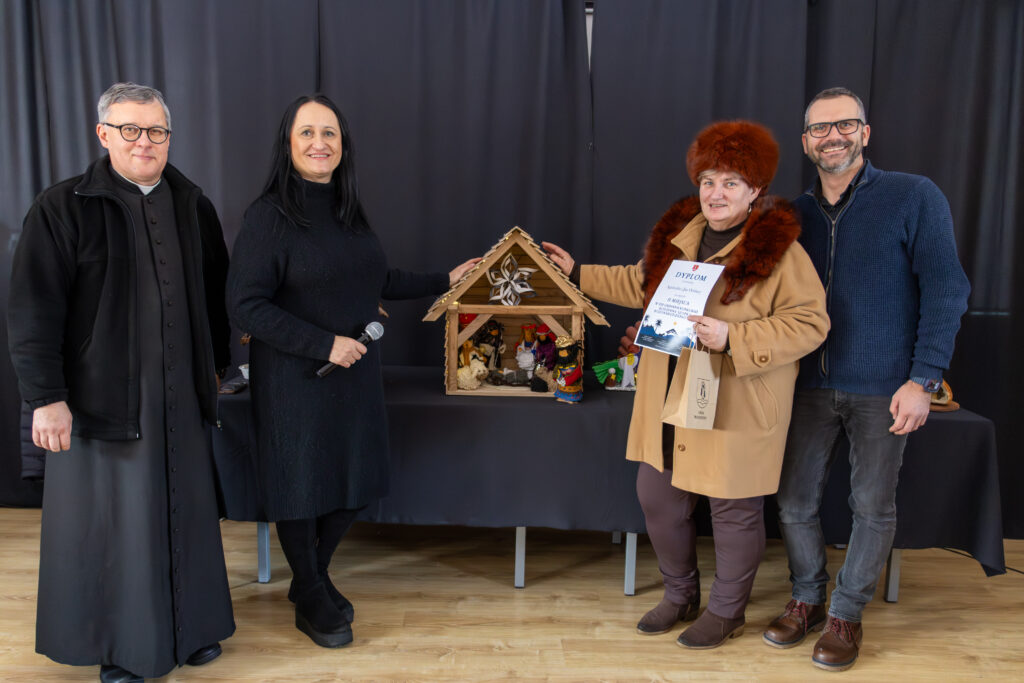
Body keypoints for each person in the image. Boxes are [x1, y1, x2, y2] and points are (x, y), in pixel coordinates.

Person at [543, 120, 829, 649]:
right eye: (708, 181)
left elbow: (811, 323)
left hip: (737, 400)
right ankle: (680, 595)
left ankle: (726, 612)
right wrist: (577, 271)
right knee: (657, 497)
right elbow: (639, 282)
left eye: (730, 183)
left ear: (755, 191)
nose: (716, 193)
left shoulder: (782, 254)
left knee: (733, 510)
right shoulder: (681, 238)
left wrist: (733, 336)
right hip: (671, 394)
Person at [226, 94, 478, 649]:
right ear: (288, 144)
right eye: (307, 132)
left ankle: (310, 578)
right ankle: (311, 592)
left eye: (330, 133)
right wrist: (323, 344)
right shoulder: (269, 216)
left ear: (343, 145)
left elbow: (375, 279)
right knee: (300, 487)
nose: (320, 143)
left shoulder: (346, 211)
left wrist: (446, 279)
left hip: (354, 374)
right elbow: (244, 304)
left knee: (354, 483)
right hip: (294, 378)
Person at [7, 82, 234, 682]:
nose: (144, 142)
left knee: (188, 515)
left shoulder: (193, 204)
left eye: (156, 130)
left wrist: (217, 369)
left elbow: (216, 298)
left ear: (169, 137)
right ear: (103, 134)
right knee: (118, 529)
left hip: (181, 397)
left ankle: (192, 631)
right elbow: (32, 310)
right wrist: (45, 398)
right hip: (100, 402)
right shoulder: (61, 207)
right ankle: (124, 648)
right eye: (130, 130)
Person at [764, 87, 970, 672]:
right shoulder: (790, 217)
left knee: (872, 506)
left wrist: (923, 379)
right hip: (805, 383)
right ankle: (807, 598)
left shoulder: (913, 196)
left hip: (885, 386)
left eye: (845, 125)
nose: (833, 136)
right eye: (820, 129)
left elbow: (946, 288)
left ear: (865, 132)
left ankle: (846, 614)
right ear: (806, 142)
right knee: (794, 502)